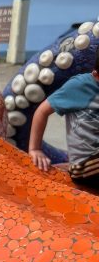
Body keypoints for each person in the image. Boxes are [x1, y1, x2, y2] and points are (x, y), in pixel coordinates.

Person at [29, 48, 99, 189]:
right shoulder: (80, 86)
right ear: (96, 74)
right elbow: (42, 112)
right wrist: (35, 149)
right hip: (83, 167)